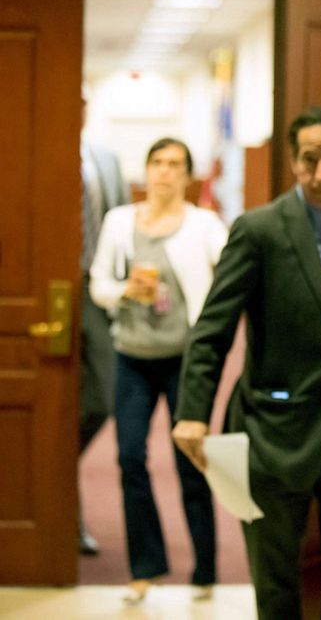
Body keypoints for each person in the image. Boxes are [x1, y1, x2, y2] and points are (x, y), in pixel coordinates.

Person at [172, 103, 321, 620]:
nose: (320, 174)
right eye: (308, 160)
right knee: (275, 583)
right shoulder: (260, 230)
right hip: (274, 431)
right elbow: (213, 329)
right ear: (293, 162)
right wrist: (192, 410)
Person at [89, 138, 227, 604]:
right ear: (144, 170)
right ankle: (144, 568)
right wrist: (123, 290)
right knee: (130, 458)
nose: (164, 172)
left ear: (188, 174)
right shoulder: (119, 222)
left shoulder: (204, 224)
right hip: (132, 355)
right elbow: (98, 283)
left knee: (190, 457)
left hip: (186, 359)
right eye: (157, 163)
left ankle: (204, 568)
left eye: (175, 165)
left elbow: (230, 278)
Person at [78, 99, 130, 555]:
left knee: (100, 399)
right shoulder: (33, 144)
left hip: (93, 288)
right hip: (42, 286)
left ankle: (53, 470)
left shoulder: (105, 158)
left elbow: (122, 228)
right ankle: (62, 512)